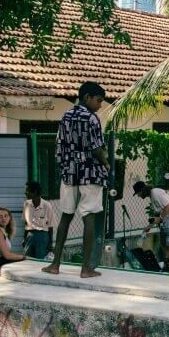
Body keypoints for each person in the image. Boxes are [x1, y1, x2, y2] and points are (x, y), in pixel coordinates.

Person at [42, 81, 109, 278]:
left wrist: (66, 165)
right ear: (87, 97)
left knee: (66, 216)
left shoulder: (66, 116)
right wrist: (105, 163)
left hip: (69, 172)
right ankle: (86, 268)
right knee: (88, 215)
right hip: (90, 172)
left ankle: (55, 264)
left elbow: (59, 146)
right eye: (98, 100)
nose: (100, 105)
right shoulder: (92, 118)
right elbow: (97, 148)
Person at [133, 181, 169, 272]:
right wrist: (149, 226)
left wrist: (160, 218)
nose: (138, 196)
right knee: (166, 246)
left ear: (142, 190)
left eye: (138, 193)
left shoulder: (155, 192)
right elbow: (159, 214)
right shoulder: (153, 195)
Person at [22, 181, 56, 259]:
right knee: (27, 258)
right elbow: (26, 223)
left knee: (39, 259)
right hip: (30, 235)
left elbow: (50, 226)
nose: (25, 193)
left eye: (27, 191)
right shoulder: (26, 204)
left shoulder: (47, 205)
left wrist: (50, 243)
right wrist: (24, 238)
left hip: (42, 236)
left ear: (35, 192)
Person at [0, 208, 25, 273]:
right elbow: (7, 255)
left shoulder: (3, 231)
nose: (3, 218)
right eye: (0, 216)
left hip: (2, 262)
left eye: (6, 216)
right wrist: (24, 257)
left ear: (10, 218)